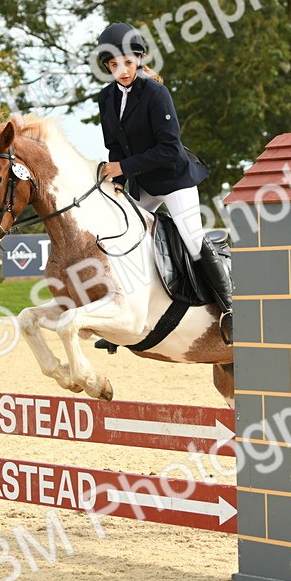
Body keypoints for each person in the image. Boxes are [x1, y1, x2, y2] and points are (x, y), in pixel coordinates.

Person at [93, 22, 232, 344]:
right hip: (142, 185)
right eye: (114, 65)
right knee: (121, 241)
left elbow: (169, 148)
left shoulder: (156, 93)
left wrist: (122, 166)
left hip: (174, 180)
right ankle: (121, 314)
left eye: (128, 63)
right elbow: (115, 147)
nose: (122, 70)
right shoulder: (106, 98)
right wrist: (119, 181)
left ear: (139, 60)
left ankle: (229, 308)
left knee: (192, 238)